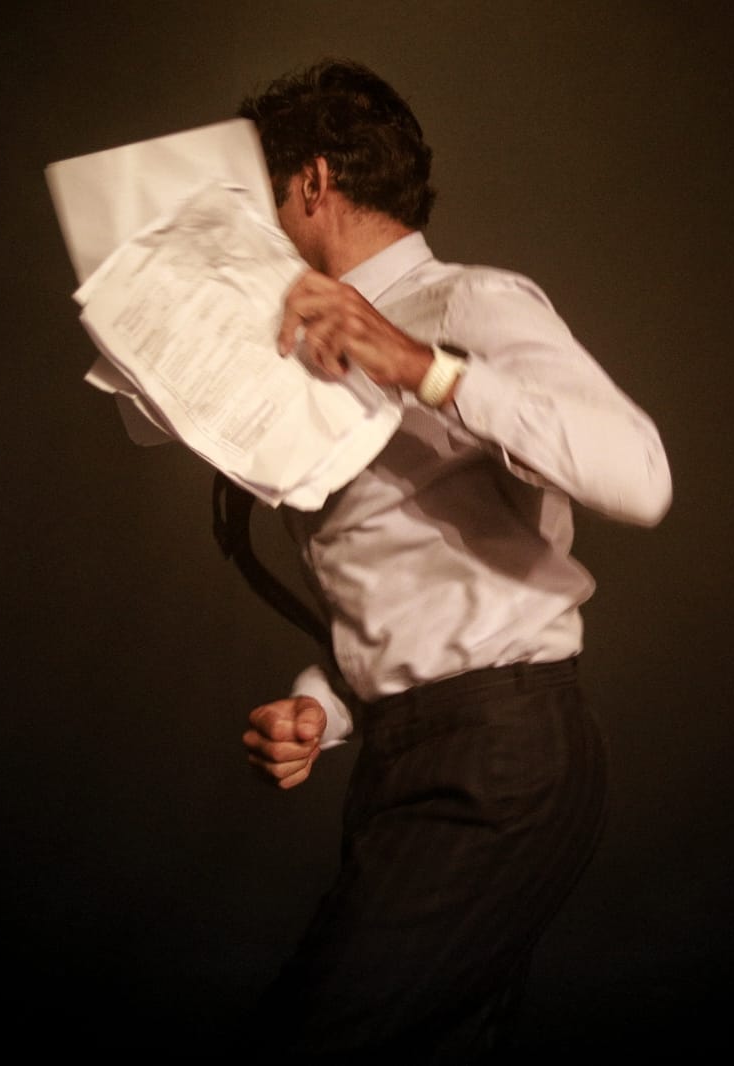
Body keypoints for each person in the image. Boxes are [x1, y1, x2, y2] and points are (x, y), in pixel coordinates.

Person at [235, 58, 672, 1064]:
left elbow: (642, 475)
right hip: (411, 755)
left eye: (261, 198)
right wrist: (328, 705)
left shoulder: (466, 303)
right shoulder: (304, 344)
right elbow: (410, 574)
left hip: (501, 757)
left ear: (311, 184)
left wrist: (423, 367)